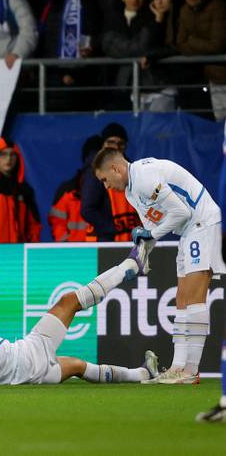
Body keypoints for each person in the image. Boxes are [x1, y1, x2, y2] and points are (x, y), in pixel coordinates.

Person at [0, 241, 159, 385]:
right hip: (24, 357)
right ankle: (131, 264)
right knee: (69, 300)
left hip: (19, 380)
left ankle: (142, 374)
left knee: (76, 366)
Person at [94, 148, 224, 384]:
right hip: (187, 232)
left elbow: (180, 213)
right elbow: (150, 233)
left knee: (194, 299)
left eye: (105, 180)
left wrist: (150, 234)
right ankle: (177, 368)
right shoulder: (131, 193)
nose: (106, 186)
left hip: (201, 223)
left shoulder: (144, 177)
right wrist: (141, 256)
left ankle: (190, 371)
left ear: (115, 169)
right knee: (182, 300)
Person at [38, 0, 94, 103]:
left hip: (73, 77)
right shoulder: (48, 1)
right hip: (49, 73)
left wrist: (72, 72)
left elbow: (87, 35)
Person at [173, 0, 226, 120]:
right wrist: (192, 43)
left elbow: (218, 45)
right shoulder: (184, 10)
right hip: (201, 79)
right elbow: (180, 43)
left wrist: (192, 41)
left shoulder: (218, 7)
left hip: (220, 76)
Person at [48, 135, 103, 242]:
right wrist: (66, 245)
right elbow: (57, 222)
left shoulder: (113, 189)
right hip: (74, 253)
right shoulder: (67, 190)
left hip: (103, 249)